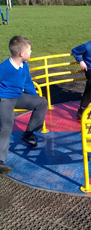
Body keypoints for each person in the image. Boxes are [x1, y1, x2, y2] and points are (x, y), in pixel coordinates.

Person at [0, 36, 47, 175]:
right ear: (21, 53)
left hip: (18, 97)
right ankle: (0, 161)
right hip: (5, 99)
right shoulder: (4, 67)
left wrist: (34, 97)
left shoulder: (24, 65)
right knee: (7, 127)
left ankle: (28, 134)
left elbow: (27, 83)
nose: (31, 52)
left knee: (42, 102)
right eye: (29, 50)